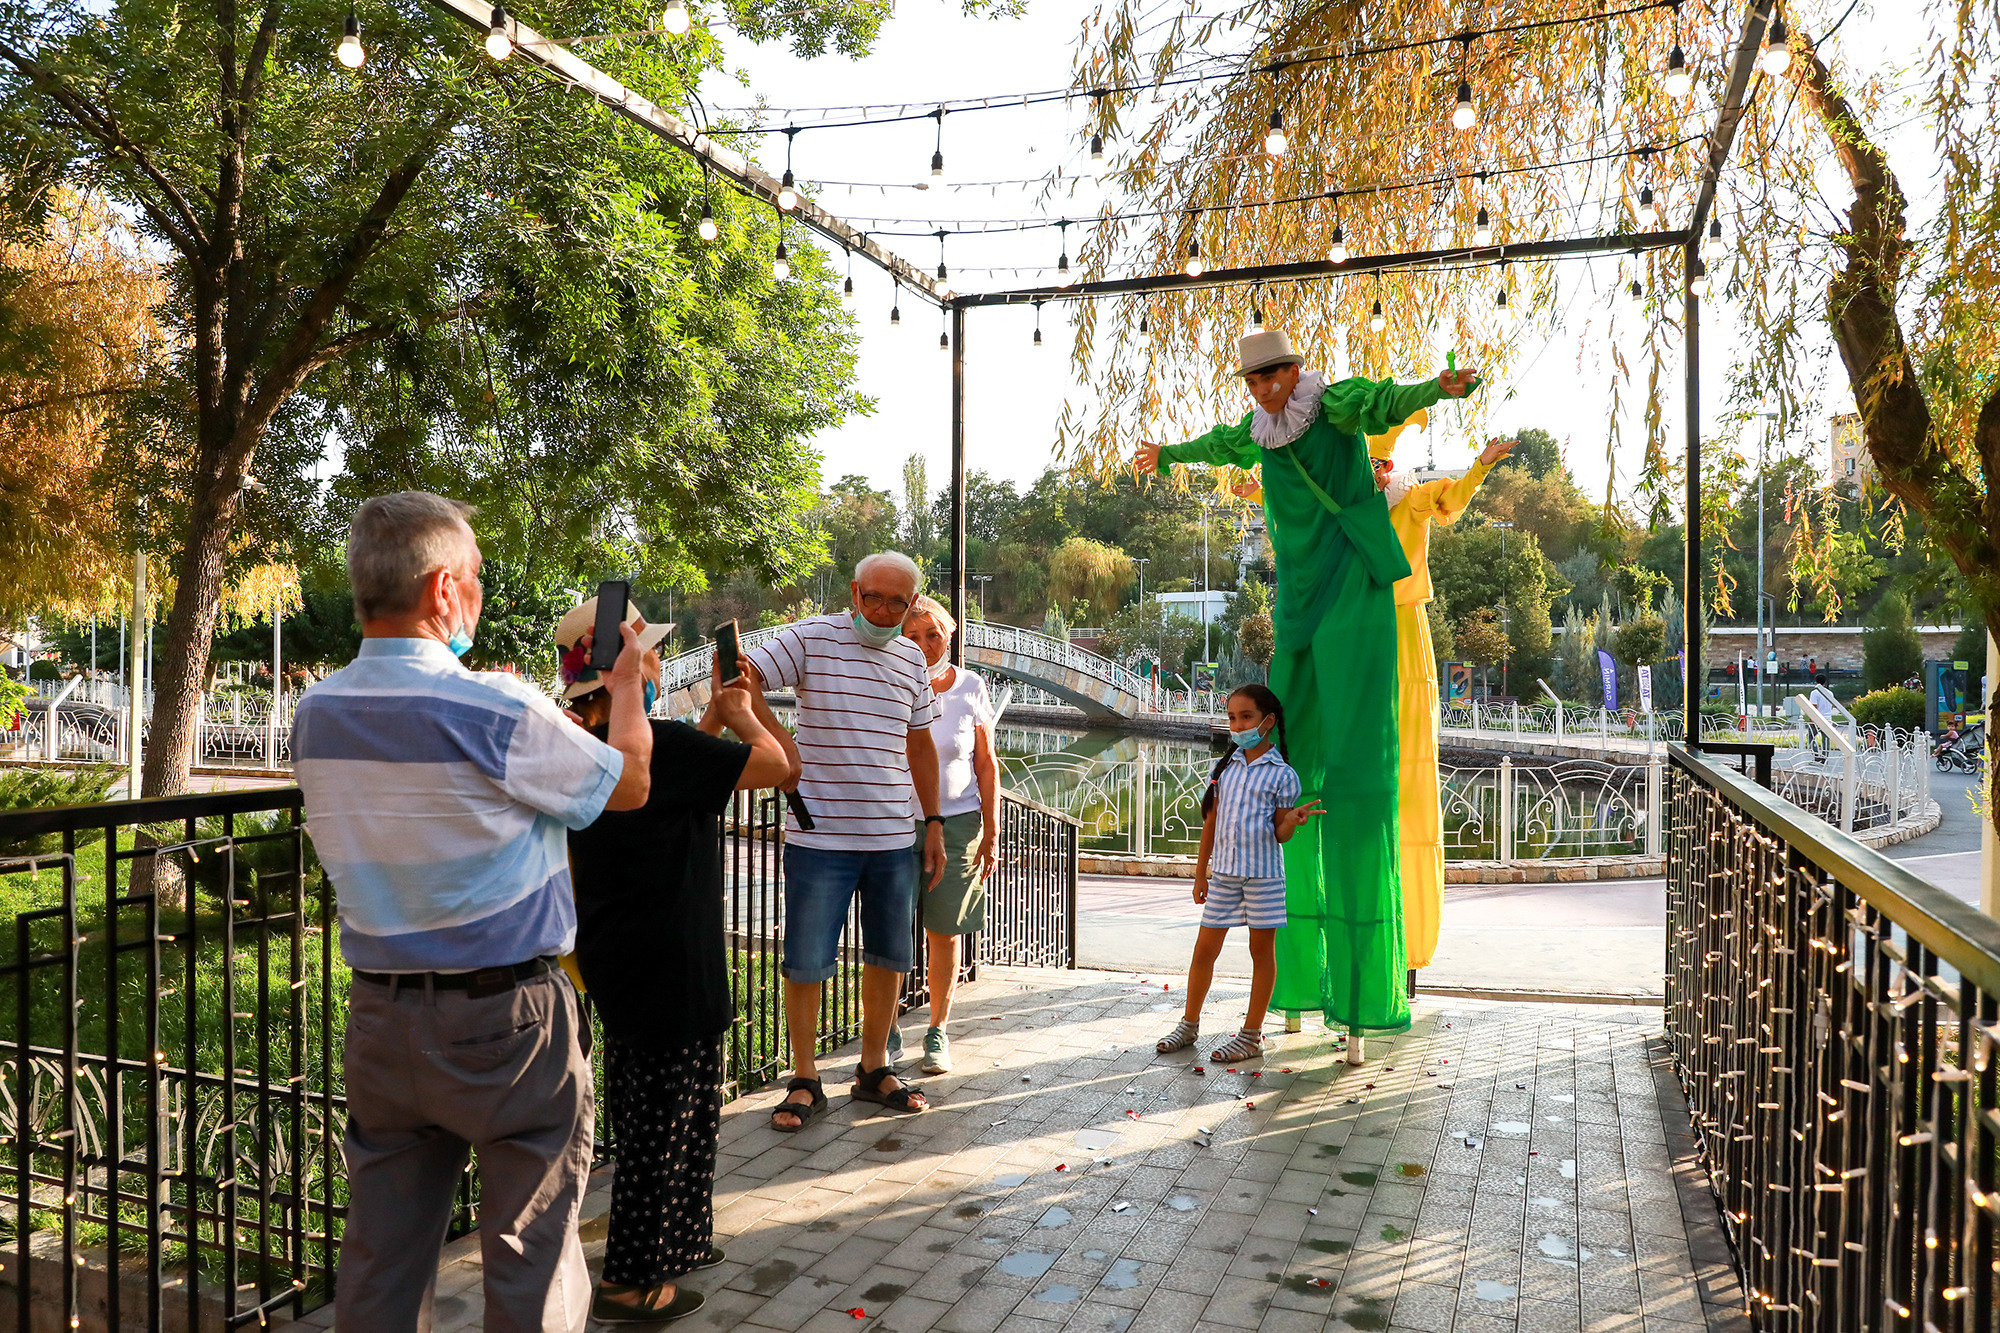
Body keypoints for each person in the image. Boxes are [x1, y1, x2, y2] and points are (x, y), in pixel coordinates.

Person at [292, 492, 654, 1333]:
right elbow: (627, 781)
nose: (481, 596)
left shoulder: (317, 713)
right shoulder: (494, 707)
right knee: (531, 1253)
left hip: (382, 1018)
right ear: (443, 590)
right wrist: (627, 684)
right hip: (509, 1023)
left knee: (382, 1260)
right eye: (479, 579)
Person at [1137, 329, 1478, 1060]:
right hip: (1297, 598)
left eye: (1272, 376)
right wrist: (1166, 455)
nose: (1263, 390)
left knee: (1355, 766)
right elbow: (1217, 446)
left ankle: (1357, 992)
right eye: (1252, 380)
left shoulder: (1336, 403)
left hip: (1352, 586)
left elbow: (1387, 397)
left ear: (1295, 370)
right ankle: (1271, 1001)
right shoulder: (1257, 431)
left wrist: (1435, 390)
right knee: (1286, 746)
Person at [558, 598, 789, 1325]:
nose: (658, 662)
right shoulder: (666, 746)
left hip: (617, 960)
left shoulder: (575, 748)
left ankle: (682, 1244)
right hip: (676, 961)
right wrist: (744, 710)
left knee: (659, 1114)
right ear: (629, 666)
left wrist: (712, 725)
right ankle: (632, 1278)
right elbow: (783, 766)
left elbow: (673, 780)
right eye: (648, 652)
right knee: (670, 1126)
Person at [740, 553, 944, 1129]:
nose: (881, 610)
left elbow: (920, 746)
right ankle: (805, 1077)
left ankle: (873, 1068)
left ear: (911, 605)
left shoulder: (910, 658)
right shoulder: (811, 638)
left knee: (889, 956)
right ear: (854, 592)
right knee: (806, 961)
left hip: (891, 835)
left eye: (895, 602)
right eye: (872, 597)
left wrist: (932, 824)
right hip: (818, 835)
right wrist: (783, 746)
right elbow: (737, 673)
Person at [1378, 428, 1518, 975]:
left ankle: (1409, 942)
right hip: (1354, 631)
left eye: (1383, 462)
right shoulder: (1344, 507)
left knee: (1409, 779)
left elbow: (1448, 498)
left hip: (1401, 633)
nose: (1376, 472)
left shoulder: (1410, 498)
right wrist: (1259, 495)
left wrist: (1481, 465)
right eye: (1367, 463)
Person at [1155, 685, 1322, 1062]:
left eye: (1246, 717)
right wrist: (1201, 874)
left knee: (1261, 952)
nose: (1237, 724)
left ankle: (1251, 1035)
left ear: (1268, 721)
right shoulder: (1224, 770)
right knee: (1204, 950)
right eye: (1232, 717)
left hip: (1263, 876)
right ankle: (1189, 1024)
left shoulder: (1283, 775)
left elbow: (1279, 834)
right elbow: (1210, 825)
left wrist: (1293, 820)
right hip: (1225, 877)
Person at [900, 595, 999, 1075]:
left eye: (932, 635)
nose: (922, 645)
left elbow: (984, 761)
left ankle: (937, 1029)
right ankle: (888, 1027)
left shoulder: (970, 686)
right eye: (912, 636)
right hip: (896, 821)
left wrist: (992, 829)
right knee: (892, 925)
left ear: (950, 634)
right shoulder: (889, 680)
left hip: (959, 822)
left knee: (944, 929)